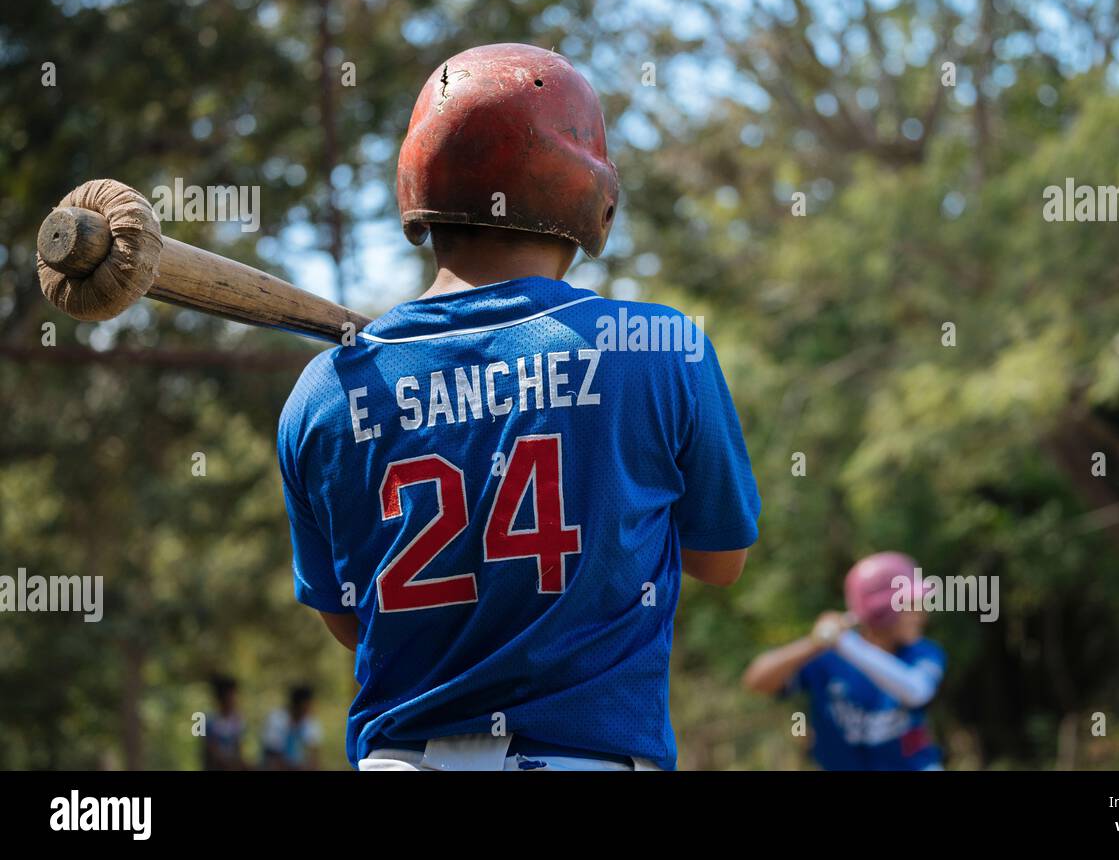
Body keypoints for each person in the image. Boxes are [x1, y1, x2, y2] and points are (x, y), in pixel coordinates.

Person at [277, 43, 760, 771]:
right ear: (588, 191)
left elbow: (351, 622)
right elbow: (721, 560)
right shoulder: (660, 347)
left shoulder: (325, 392)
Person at [743, 552, 944, 770]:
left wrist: (844, 643)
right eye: (911, 605)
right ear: (882, 610)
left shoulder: (923, 652)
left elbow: (916, 691)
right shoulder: (827, 657)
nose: (921, 615)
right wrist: (815, 642)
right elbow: (756, 680)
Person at [260, 685, 322, 771]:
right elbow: (272, 755)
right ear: (299, 704)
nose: (311, 708)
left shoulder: (310, 722)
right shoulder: (277, 719)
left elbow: (314, 754)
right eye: (308, 704)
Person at [202, 674, 247, 771]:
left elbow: (238, 749)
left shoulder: (237, 720)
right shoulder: (207, 721)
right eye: (231, 695)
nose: (235, 699)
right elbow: (212, 753)